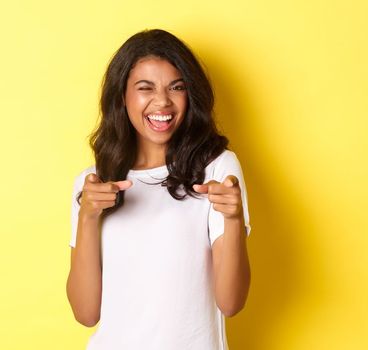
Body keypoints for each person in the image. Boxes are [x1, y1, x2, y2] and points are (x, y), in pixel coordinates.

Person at [65, 29, 251, 350]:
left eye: (176, 87)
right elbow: (85, 313)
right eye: (145, 88)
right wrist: (87, 218)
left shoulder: (217, 170)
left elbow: (231, 303)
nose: (162, 101)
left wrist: (233, 220)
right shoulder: (94, 184)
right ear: (122, 96)